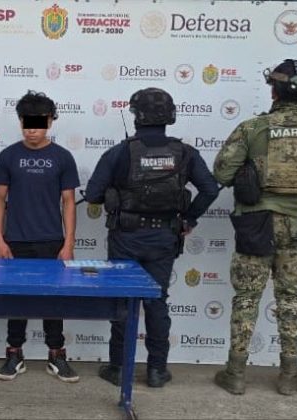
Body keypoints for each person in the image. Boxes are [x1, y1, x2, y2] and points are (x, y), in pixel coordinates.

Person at [212, 59, 297, 396]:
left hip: (257, 225)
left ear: (273, 90)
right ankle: (289, 377)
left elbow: (222, 173)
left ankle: (235, 374)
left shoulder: (253, 128)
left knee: (247, 298)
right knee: (290, 299)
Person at [86, 87, 219, 388]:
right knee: (157, 302)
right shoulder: (185, 153)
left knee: (123, 301)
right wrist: (189, 219)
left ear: (136, 116)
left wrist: (114, 193)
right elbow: (210, 189)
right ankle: (157, 370)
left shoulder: (120, 152)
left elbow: (93, 194)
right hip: (164, 237)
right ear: (169, 116)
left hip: (126, 237)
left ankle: (118, 368)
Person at [0, 91, 81, 383]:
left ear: (50, 122)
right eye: (26, 123)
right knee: (16, 300)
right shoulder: (8, 156)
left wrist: (68, 243)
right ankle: (14, 354)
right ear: (20, 122)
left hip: (52, 241)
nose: (32, 130)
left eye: (38, 123)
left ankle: (56, 355)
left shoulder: (62, 157)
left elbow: (68, 201)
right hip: (15, 241)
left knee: (53, 301)